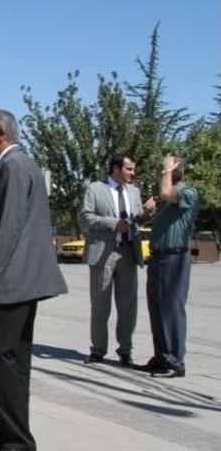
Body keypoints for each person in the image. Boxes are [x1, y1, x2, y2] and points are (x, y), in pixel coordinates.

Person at [0, 110, 68, 451]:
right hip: (21, 280)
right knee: (14, 360)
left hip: (10, 282)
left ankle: (17, 439)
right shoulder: (15, 166)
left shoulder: (13, 166)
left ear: (1, 134)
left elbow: (7, 226)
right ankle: (12, 432)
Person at [80, 153, 155, 366]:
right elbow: (85, 217)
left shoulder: (134, 191)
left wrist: (148, 213)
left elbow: (136, 220)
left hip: (128, 253)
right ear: (116, 168)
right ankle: (98, 350)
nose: (133, 173)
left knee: (128, 306)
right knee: (100, 305)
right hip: (103, 253)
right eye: (129, 169)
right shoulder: (95, 189)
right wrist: (112, 223)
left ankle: (125, 350)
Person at [138, 155, 198, 378]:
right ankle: (161, 357)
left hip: (174, 258)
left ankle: (175, 361)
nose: (158, 174)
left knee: (171, 309)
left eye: (161, 171)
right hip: (158, 258)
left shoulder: (186, 192)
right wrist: (149, 212)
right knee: (158, 310)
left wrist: (166, 171)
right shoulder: (167, 202)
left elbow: (165, 192)